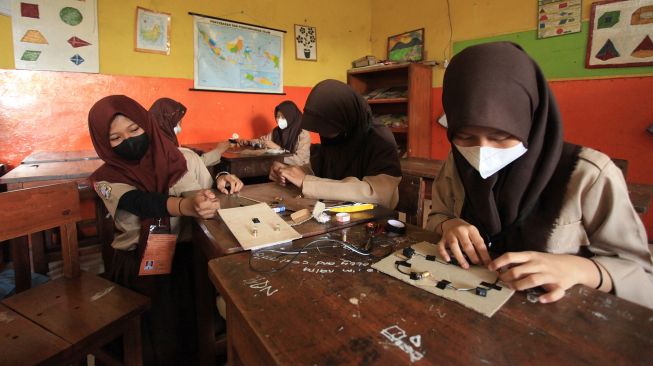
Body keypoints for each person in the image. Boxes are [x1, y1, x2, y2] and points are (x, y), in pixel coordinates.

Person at [427, 42, 653, 308]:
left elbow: (643, 278)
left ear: (530, 120)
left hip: (560, 321)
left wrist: (580, 270)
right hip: (469, 302)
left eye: (501, 136)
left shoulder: (588, 175)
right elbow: (437, 216)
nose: (482, 150)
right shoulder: (456, 163)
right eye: (464, 136)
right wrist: (449, 226)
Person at [88, 95, 242, 365]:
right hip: (139, 264)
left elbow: (199, 189)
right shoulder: (105, 178)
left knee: (194, 334)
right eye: (115, 138)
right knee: (153, 343)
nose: (129, 140)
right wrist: (185, 206)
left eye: (134, 130)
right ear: (103, 142)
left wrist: (218, 183)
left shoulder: (178, 158)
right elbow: (141, 202)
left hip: (185, 258)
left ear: (147, 124)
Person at [269, 79, 402, 209]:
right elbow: (319, 168)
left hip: (374, 220)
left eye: (326, 127)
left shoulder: (380, 139)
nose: (323, 133)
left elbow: (378, 194)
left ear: (345, 117)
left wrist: (306, 182)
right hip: (336, 213)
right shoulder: (336, 137)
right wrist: (289, 173)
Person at [150, 97, 230, 167]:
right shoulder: (163, 145)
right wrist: (218, 150)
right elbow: (188, 166)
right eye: (178, 120)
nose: (180, 123)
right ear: (167, 121)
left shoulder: (154, 136)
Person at [239, 100, 311, 166]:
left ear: (291, 116)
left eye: (283, 117)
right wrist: (249, 142)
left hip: (299, 172)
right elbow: (264, 141)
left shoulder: (303, 134)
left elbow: (300, 160)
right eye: (277, 116)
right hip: (279, 168)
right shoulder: (276, 131)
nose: (279, 120)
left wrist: (278, 150)